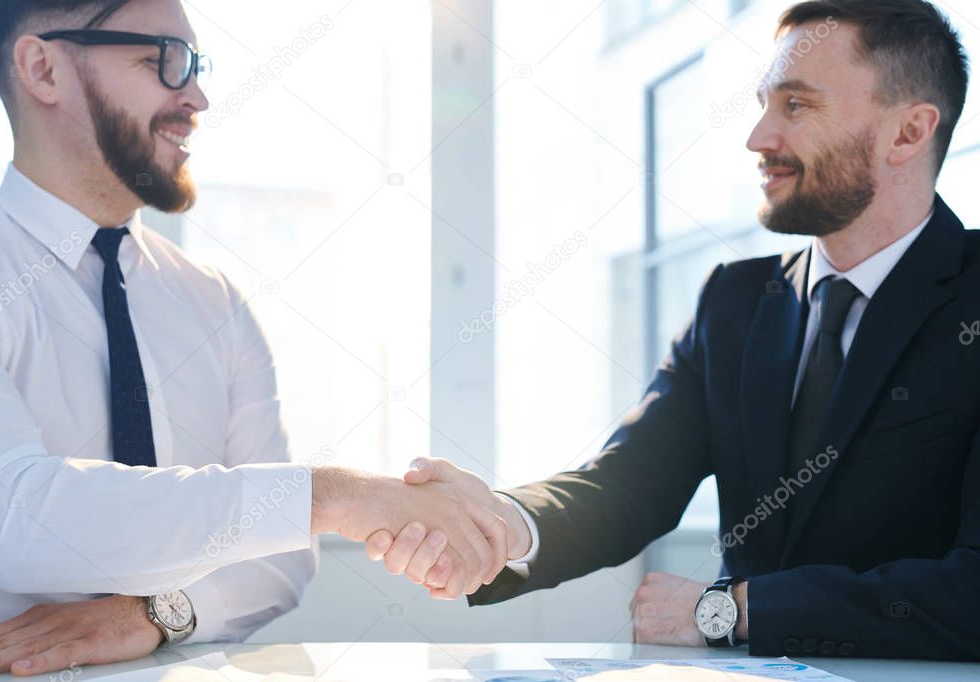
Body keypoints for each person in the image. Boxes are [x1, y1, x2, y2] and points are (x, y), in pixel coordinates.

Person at [372, 0, 980, 661]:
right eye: (762, 104)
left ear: (907, 133)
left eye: (796, 106)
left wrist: (731, 611)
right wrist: (495, 525)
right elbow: (626, 484)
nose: (758, 138)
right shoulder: (736, 302)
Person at [0, 0, 506, 677]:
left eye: (195, 64)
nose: (197, 97)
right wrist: (333, 495)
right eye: (163, 60)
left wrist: (157, 613)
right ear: (43, 69)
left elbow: (277, 558)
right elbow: (12, 519)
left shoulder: (211, 299)